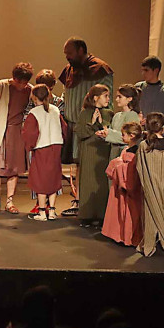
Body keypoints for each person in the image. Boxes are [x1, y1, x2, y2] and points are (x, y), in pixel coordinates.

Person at [60, 38, 114, 217]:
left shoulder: (100, 69)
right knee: (76, 164)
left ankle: (88, 204)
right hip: (72, 124)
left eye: (70, 53)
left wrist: (102, 121)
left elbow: (107, 100)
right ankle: (79, 201)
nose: (67, 56)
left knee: (88, 166)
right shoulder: (69, 70)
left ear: (81, 50)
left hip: (92, 126)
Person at [0, 63, 34, 215]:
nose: (22, 86)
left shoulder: (30, 90)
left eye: (25, 82)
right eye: (20, 82)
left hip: (17, 132)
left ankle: (10, 201)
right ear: (14, 78)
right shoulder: (0, 86)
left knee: (13, 167)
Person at [22, 84, 67, 221]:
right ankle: (52, 211)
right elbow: (64, 128)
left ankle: (42, 212)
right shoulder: (55, 110)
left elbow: (30, 133)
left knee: (40, 179)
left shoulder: (34, 113)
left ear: (34, 97)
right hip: (56, 146)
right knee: (53, 178)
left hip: (42, 148)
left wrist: (29, 146)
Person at [136, 112, 164, 256]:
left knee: (150, 215)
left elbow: (140, 168)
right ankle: (163, 242)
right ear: (163, 128)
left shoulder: (144, 146)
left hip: (150, 188)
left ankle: (149, 244)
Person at [75, 84, 113, 227]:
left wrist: (102, 123)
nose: (108, 99)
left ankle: (102, 215)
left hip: (103, 152)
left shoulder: (109, 113)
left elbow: (112, 131)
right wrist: (91, 123)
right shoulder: (84, 113)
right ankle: (87, 215)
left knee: (102, 183)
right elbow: (80, 133)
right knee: (88, 182)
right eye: (105, 96)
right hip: (89, 151)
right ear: (96, 97)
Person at [102, 122, 143, 246]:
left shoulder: (134, 152)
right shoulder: (130, 150)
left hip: (127, 186)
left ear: (131, 136)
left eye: (124, 134)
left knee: (128, 211)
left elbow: (129, 170)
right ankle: (123, 235)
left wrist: (117, 165)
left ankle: (127, 236)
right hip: (124, 184)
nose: (121, 136)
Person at [135, 55, 164, 142]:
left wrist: (154, 132)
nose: (143, 73)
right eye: (142, 70)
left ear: (156, 70)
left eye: (146, 70)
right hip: (140, 137)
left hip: (158, 140)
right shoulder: (138, 88)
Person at [103, 84, 143, 160]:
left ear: (129, 99)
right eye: (117, 97)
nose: (117, 99)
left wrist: (109, 133)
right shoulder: (116, 115)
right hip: (114, 153)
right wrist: (104, 133)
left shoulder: (133, 115)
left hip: (125, 154)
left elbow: (130, 137)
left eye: (120, 97)